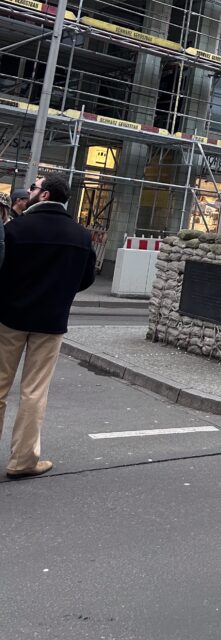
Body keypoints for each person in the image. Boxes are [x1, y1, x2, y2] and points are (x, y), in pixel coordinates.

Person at [0, 172, 95, 479]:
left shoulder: (15, 228)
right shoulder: (81, 236)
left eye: (34, 187)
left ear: (44, 196)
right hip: (51, 322)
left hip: (10, 318)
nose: (28, 191)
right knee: (34, 392)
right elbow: (87, 278)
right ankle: (23, 460)